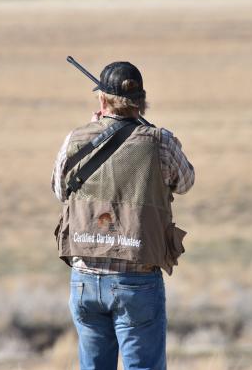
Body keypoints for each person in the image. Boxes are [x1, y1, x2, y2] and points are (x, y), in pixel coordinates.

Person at [51, 61, 195, 370]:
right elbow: (186, 182)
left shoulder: (76, 139)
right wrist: (153, 135)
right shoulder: (159, 141)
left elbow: (59, 191)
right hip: (137, 278)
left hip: (84, 277)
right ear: (141, 102)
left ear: (102, 100)